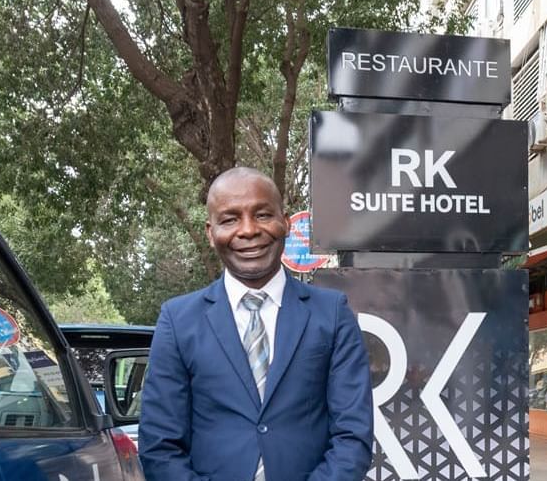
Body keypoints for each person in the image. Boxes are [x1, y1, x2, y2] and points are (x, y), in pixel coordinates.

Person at [138, 167, 374, 481]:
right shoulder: (178, 320)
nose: (248, 230)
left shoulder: (331, 313)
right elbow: (159, 445)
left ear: (285, 223)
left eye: (262, 215)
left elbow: (352, 436)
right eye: (230, 219)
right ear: (211, 232)